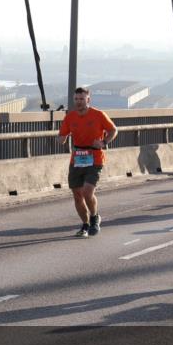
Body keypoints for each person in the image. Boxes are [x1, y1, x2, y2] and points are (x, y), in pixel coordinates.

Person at [59, 87, 118, 237]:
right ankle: (85, 225)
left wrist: (104, 142)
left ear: (88, 100)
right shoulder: (70, 117)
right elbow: (62, 135)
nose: (78, 102)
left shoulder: (98, 115)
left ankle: (94, 216)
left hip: (95, 157)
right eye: (76, 99)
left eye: (82, 99)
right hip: (77, 157)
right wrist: (61, 139)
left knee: (87, 191)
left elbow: (113, 130)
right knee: (77, 194)